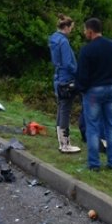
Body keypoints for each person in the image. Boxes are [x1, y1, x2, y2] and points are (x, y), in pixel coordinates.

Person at [76, 18, 112, 171]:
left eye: (85, 30)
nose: (84, 33)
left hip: (93, 92)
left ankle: (94, 164)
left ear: (90, 31)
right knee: (111, 126)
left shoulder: (87, 50)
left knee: (93, 127)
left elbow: (82, 75)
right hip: (109, 89)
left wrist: (80, 89)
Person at [48, 14, 81, 154]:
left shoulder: (53, 39)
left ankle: (61, 141)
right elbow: (68, 63)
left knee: (61, 109)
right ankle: (65, 144)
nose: (71, 31)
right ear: (66, 27)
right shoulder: (64, 42)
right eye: (71, 28)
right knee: (65, 111)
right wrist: (79, 74)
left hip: (58, 77)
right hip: (66, 79)